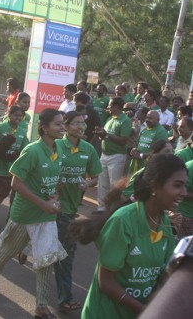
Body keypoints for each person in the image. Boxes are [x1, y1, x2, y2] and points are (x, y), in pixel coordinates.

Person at [75, 154, 187, 319]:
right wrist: (144, 309)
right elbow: (106, 282)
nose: (184, 193)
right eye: (177, 186)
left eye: (185, 186)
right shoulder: (123, 221)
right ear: (155, 186)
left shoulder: (165, 223)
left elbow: (162, 274)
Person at [0, 109, 66, 319]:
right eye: (57, 124)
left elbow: (55, 183)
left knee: (45, 262)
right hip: (26, 214)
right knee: (8, 252)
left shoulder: (59, 151)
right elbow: (16, 182)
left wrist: (54, 199)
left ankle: (41, 306)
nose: (62, 127)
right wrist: (42, 203)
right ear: (45, 127)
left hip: (47, 216)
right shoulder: (32, 151)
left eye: (63, 123)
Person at [54, 111, 102, 313]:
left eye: (83, 123)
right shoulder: (55, 146)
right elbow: (43, 170)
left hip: (70, 209)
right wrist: (55, 182)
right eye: (76, 123)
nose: (81, 127)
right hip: (49, 206)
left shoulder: (88, 149)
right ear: (66, 126)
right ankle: (65, 298)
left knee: (65, 252)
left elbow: (95, 178)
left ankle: (63, 297)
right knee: (64, 252)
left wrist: (87, 183)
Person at [93, 97, 132, 212]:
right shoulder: (110, 118)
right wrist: (101, 134)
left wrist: (106, 135)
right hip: (104, 155)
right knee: (102, 184)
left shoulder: (125, 120)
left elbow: (124, 140)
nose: (108, 107)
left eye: (110, 105)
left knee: (114, 186)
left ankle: (111, 210)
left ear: (116, 107)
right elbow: (105, 135)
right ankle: (101, 209)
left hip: (117, 156)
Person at [128, 110, 168, 175]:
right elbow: (138, 145)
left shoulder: (161, 131)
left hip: (151, 166)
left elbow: (162, 151)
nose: (147, 120)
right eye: (147, 117)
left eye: (150, 118)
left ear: (158, 120)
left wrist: (143, 155)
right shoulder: (145, 130)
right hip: (138, 165)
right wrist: (135, 149)